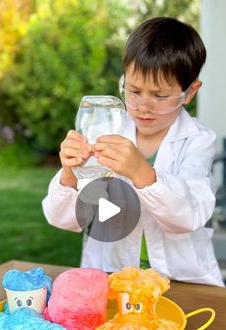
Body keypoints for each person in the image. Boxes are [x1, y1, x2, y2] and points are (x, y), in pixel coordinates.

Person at [42, 16, 224, 286]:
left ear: (189, 92)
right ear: (123, 80)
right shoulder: (104, 129)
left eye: (160, 96)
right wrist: (71, 174)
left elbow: (186, 217)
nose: (143, 106)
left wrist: (141, 172)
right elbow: (67, 220)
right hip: (109, 277)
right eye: (134, 90)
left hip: (182, 282)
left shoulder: (198, 141)